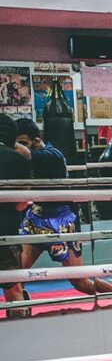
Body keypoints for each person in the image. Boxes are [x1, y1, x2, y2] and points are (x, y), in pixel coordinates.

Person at [14, 119, 112, 301]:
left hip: (61, 221)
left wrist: (7, 141)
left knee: (80, 282)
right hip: (36, 217)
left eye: (23, 142)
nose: (19, 147)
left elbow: (26, 153)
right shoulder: (23, 158)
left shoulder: (52, 154)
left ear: (37, 140)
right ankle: (21, 306)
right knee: (16, 275)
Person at [0, 114, 32, 318]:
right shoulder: (19, 160)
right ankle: (22, 334)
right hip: (5, 232)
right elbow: (22, 204)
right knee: (13, 290)